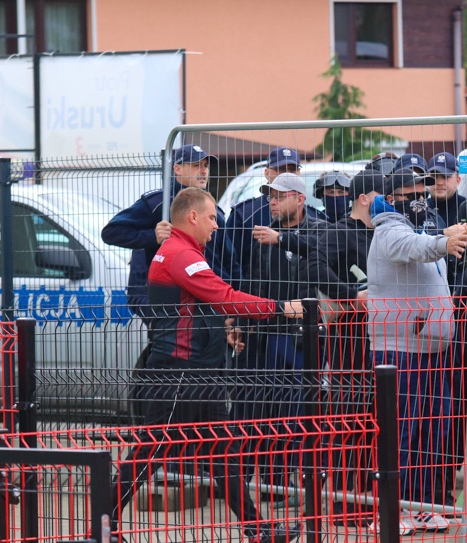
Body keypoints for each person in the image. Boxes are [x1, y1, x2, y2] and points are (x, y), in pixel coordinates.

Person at [111, 187, 302, 543]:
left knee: (221, 450)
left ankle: (256, 529)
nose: (217, 226)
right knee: (148, 451)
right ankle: (102, 525)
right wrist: (282, 307)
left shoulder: (187, 252)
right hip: (180, 372)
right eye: (212, 218)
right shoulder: (181, 253)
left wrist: (220, 331)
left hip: (199, 369)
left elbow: (197, 307)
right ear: (193, 217)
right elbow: (224, 297)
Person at [367, 168, 467, 532]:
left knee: (432, 429)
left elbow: (425, 245)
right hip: (399, 352)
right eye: (411, 192)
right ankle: (393, 512)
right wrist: (445, 242)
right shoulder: (389, 230)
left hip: (431, 350)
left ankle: (423, 505)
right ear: (393, 197)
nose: (421, 198)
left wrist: (446, 237)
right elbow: (415, 249)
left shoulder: (418, 226)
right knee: (402, 432)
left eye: (423, 191)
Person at [232, 172, 328, 492]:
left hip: (306, 336)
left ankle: (306, 479)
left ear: (300, 199)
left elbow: (323, 245)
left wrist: (282, 239)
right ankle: (274, 481)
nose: (273, 201)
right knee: (269, 406)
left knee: (300, 407)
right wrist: (239, 323)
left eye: (280, 195)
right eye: (270, 195)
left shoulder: (318, 228)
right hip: (270, 334)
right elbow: (253, 283)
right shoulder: (263, 237)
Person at [305, 168, 386, 525]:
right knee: (349, 419)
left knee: (377, 421)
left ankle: (371, 498)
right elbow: (314, 269)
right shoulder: (337, 232)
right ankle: (344, 504)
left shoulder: (385, 232)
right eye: (386, 197)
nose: (393, 204)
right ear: (365, 198)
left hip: (386, 342)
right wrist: (351, 294)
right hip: (349, 341)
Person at [101, 144, 238, 326]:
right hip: (171, 310)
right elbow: (111, 233)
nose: (204, 171)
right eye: (196, 165)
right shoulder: (159, 204)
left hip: (212, 310)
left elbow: (230, 263)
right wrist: (153, 236)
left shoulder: (214, 212)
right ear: (178, 169)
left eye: (205, 165)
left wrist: (232, 312)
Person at [225, 147, 323, 280]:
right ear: (266, 173)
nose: (287, 175)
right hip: (259, 296)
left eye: (293, 170)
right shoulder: (244, 215)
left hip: (305, 297)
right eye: (281, 169)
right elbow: (229, 262)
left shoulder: (315, 217)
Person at [427, 152, 467, 228]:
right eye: (434, 176)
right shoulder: (420, 209)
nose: (439, 183)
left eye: (445, 177)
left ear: (458, 181)